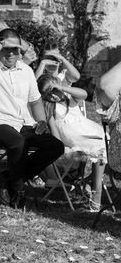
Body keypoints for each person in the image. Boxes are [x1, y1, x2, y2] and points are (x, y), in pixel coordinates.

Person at [0, 28, 64, 208]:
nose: (12, 53)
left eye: (16, 49)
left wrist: (42, 121)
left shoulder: (26, 70)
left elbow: (36, 100)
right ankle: (17, 190)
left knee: (55, 146)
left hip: (24, 124)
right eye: (7, 48)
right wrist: (0, 43)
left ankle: (9, 178)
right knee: (17, 142)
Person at [38, 75, 106, 210]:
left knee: (106, 146)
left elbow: (84, 94)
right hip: (74, 141)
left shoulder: (71, 98)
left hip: (91, 133)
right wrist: (61, 148)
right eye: (47, 95)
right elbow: (55, 134)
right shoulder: (50, 108)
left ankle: (90, 183)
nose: (52, 97)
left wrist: (62, 88)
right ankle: (96, 191)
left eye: (54, 92)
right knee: (100, 149)